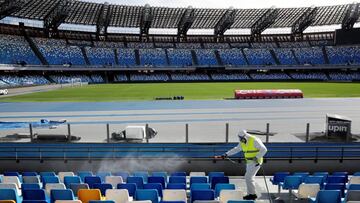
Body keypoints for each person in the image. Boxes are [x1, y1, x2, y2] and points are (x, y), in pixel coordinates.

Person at [214, 130, 267, 200]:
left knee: (248, 177)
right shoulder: (242, 142)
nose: (240, 140)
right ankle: (250, 194)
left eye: (241, 138)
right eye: (240, 138)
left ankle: (252, 194)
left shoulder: (254, 140)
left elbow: (264, 149)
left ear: (245, 136)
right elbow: (236, 149)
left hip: (256, 162)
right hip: (249, 162)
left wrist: (257, 157)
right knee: (249, 178)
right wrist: (226, 154)